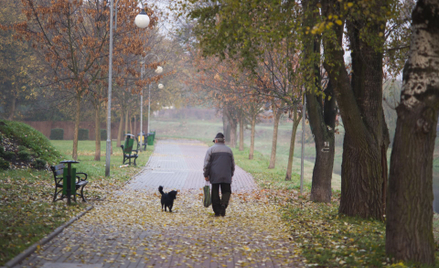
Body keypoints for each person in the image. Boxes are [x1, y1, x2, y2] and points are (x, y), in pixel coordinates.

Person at [203, 132, 235, 217]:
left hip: (214, 175)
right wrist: (231, 174)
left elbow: (207, 164)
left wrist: (206, 175)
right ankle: (223, 205)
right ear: (223, 141)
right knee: (226, 191)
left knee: (215, 192)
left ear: (216, 140)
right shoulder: (229, 150)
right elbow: (232, 164)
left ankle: (217, 211)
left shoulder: (211, 150)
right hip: (226, 175)